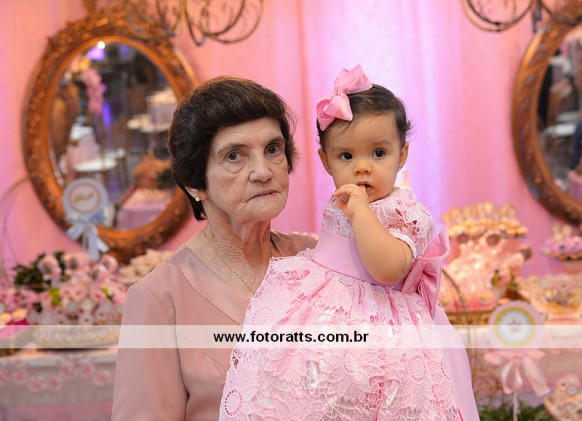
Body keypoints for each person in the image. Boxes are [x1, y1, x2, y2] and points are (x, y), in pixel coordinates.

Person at [220, 66, 479, 420]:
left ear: (402, 155)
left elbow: (389, 269)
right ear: (326, 162)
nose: (362, 168)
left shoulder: (403, 210)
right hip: (326, 303)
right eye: (347, 156)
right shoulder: (345, 199)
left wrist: (361, 214)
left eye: (378, 153)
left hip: (382, 319)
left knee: (382, 395)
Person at [111, 77, 317, 420]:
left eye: (273, 149)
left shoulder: (316, 260)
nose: (263, 172)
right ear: (195, 182)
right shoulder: (159, 299)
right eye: (234, 156)